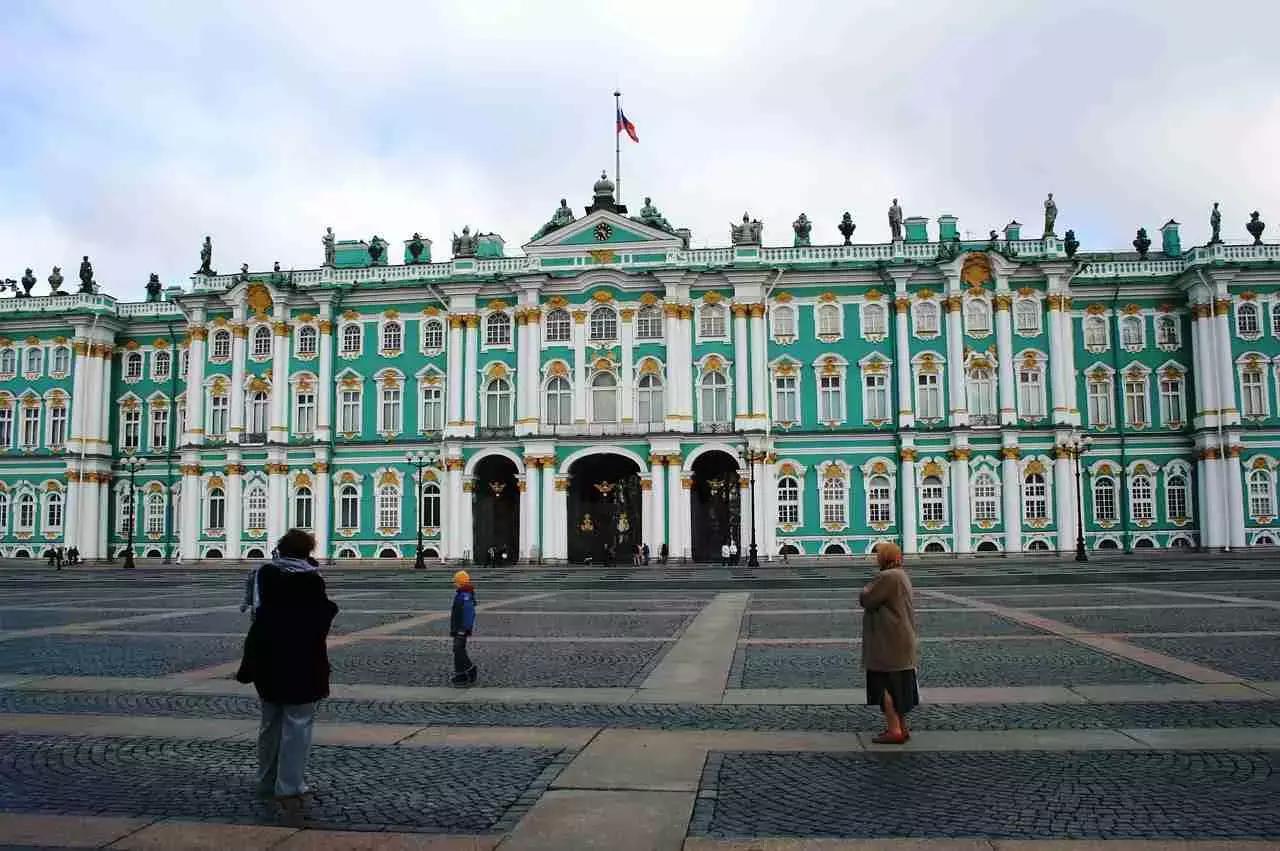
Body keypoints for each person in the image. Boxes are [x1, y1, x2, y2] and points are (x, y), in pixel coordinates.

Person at [235, 529, 338, 824]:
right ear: (307, 551)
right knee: (298, 724)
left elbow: (258, 613)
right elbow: (318, 618)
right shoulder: (310, 579)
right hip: (301, 660)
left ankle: (266, 781)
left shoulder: (264, 575)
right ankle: (290, 784)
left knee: (270, 723)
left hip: (268, 658)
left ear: (281, 549)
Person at [859, 542, 919, 745]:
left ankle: (894, 729)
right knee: (899, 687)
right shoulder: (901, 575)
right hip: (900, 640)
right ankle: (901, 727)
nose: (876, 558)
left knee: (885, 685)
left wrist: (865, 590)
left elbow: (867, 599)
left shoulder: (888, 577)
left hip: (888, 642)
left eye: (878, 555)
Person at [450, 570, 478, 686]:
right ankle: (460, 674)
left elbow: (468, 614)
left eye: (456, 582)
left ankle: (470, 669)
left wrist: (463, 629)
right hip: (458, 627)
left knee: (458, 649)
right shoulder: (462, 593)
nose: (454, 584)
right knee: (457, 649)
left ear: (461, 583)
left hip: (461, 628)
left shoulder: (465, 595)